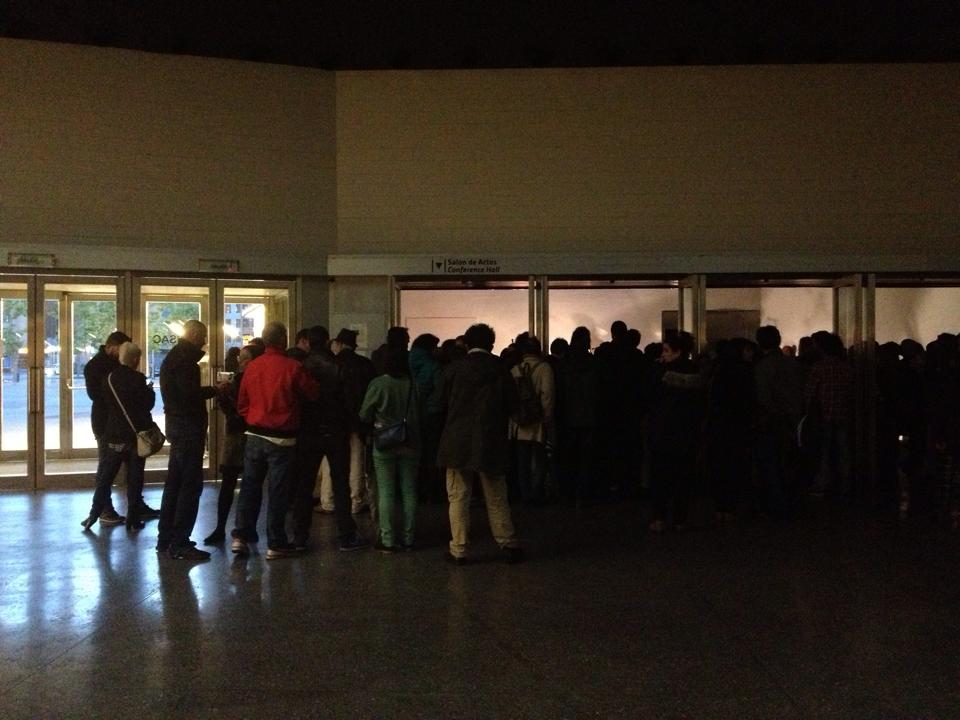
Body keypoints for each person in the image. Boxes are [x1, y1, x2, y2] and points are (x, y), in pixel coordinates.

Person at [231, 322, 320, 559]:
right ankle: (276, 542)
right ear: (283, 339)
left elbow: (242, 403)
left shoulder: (253, 366)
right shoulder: (293, 367)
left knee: (250, 487)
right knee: (278, 491)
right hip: (282, 439)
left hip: (254, 435)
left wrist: (252, 417)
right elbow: (313, 393)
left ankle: (241, 536)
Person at [436, 323, 523, 564]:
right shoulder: (500, 369)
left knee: (458, 496)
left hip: (457, 440)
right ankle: (508, 543)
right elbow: (513, 405)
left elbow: (439, 403)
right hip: (491, 439)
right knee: (496, 495)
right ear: (491, 344)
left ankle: (459, 548)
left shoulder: (454, 369)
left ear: (466, 343)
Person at [291, 326, 369, 552]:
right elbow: (348, 400)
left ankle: (300, 537)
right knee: (341, 483)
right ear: (327, 342)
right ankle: (346, 534)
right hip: (336, 431)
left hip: (308, 432)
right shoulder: (338, 366)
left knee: (304, 485)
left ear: (308, 342)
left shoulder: (302, 366)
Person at [158, 320, 223, 562]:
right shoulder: (186, 363)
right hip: (188, 430)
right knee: (189, 486)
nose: (205, 342)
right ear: (194, 335)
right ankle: (180, 542)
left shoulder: (173, 358)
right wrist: (215, 390)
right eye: (203, 336)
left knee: (174, 485)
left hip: (177, 428)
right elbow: (190, 396)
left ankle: (166, 539)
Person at [81, 342, 155, 532]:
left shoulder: (109, 378)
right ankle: (133, 517)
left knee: (106, 478)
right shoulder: (138, 379)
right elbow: (147, 405)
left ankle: (94, 514)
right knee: (135, 478)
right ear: (135, 359)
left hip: (114, 434)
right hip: (134, 436)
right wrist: (150, 391)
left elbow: (106, 403)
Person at [360, 346, 421, 552]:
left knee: (386, 491)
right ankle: (409, 537)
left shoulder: (378, 384)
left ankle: (387, 539)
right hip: (411, 441)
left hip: (384, 442)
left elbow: (364, 414)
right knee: (409, 490)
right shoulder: (413, 384)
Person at [203, 343, 264, 544]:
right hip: (250, 433)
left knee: (230, 483)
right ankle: (246, 529)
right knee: (250, 484)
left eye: (245, 358)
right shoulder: (257, 380)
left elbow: (229, 409)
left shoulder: (240, 381)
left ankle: (223, 528)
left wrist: (224, 395)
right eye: (241, 358)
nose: (241, 362)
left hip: (237, 434)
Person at [646, 331, 705, 532]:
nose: (663, 354)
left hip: (663, 431)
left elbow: (649, 396)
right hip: (686, 432)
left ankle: (659, 518)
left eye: (666, 350)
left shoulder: (660, 372)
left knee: (660, 476)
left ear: (677, 352)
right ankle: (680, 519)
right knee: (683, 477)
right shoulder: (695, 373)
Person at [755, 325, 804, 518]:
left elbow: (763, 396)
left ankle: (775, 505)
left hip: (771, 420)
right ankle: (789, 502)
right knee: (787, 463)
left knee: (770, 464)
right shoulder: (793, 364)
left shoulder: (763, 366)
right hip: (793, 419)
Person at [330, 328, 377, 515]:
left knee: (333, 462)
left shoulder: (332, 363)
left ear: (339, 344)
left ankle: (329, 499)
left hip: (336, 419)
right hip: (358, 420)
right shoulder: (365, 364)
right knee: (357, 461)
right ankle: (356, 500)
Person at [509, 335, 554, 505]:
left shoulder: (515, 369)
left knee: (522, 460)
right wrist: (547, 418)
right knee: (539, 458)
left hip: (519, 423)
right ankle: (536, 493)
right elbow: (547, 395)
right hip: (537, 421)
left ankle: (525, 493)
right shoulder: (544, 368)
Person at [409, 333, 445, 503]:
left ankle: (412, 491)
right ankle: (430, 492)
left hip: (409, 415)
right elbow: (440, 391)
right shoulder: (434, 366)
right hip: (431, 416)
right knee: (430, 454)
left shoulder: (406, 361)